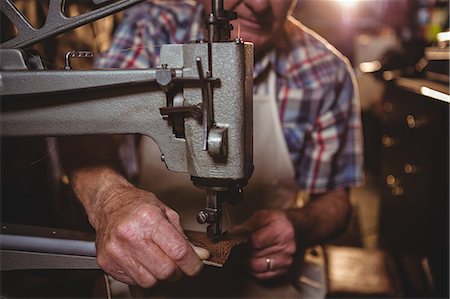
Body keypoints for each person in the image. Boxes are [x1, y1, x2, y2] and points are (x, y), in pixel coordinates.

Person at [60, 0, 364, 296]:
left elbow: (337, 202)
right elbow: (90, 127)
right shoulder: (153, 27)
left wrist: (299, 226)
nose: (259, 4)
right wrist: (110, 199)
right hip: (149, 277)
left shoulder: (326, 72)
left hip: (266, 280)